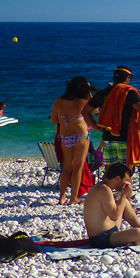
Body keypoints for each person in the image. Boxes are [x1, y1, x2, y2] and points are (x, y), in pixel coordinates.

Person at [84, 163, 140, 248]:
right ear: (117, 179)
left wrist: (126, 195)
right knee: (137, 233)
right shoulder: (104, 190)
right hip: (101, 238)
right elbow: (115, 216)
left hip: (110, 230)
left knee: (124, 202)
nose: (128, 183)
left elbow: (122, 208)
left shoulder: (103, 186)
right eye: (126, 180)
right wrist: (123, 195)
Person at [82, 66, 140, 168]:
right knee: (125, 171)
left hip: (107, 138)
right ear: (127, 78)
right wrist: (138, 128)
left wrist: (96, 127)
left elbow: (85, 111)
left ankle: (107, 184)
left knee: (109, 171)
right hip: (126, 137)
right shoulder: (128, 92)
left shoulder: (103, 93)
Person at [50, 77, 94, 205]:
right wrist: (89, 93)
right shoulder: (83, 101)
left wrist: (66, 120)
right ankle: (73, 198)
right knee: (78, 167)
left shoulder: (58, 101)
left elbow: (53, 120)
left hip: (65, 136)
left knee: (67, 167)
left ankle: (62, 198)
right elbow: (95, 111)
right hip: (80, 135)